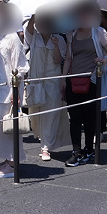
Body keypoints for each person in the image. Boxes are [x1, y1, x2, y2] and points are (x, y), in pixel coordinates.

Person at [57, 0, 107, 167]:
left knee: (89, 117)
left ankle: (89, 148)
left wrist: (104, 59)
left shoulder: (99, 32)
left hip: (93, 79)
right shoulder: (71, 34)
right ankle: (76, 151)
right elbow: (68, 58)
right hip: (74, 80)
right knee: (74, 117)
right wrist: (63, 79)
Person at [0, 3, 28, 178]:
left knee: (10, 128)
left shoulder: (12, 38)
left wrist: (16, 93)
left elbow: (21, 67)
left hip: (10, 91)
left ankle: (12, 162)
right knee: (0, 128)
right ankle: (8, 159)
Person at [21, 11, 70, 160]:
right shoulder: (34, 37)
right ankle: (44, 141)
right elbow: (28, 28)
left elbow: (58, 60)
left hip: (53, 81)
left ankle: (46, 147)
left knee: (52, 113)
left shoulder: (59, 39)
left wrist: (55, 46)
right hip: (36, 81)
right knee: (38, 113)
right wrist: (36, 13)